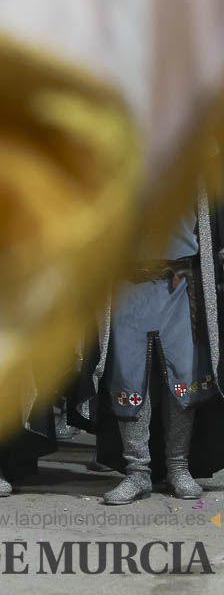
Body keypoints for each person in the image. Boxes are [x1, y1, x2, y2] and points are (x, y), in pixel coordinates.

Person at [90, 204, 224, 505]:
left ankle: (179, 466)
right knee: (128, 376)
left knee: (183, 377)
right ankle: (137, 472)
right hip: (126, 284)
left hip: (180, 284)